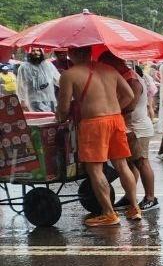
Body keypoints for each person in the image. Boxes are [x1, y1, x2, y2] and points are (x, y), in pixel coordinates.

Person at [56, 47, 140, 226]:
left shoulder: (69, 75)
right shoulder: (109, 69)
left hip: (93, 123)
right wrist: (114, 109)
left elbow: (63, 108)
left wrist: (60, 118)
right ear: (89, 52)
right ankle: (134, 208)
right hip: (116, 120)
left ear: (73, 54)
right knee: (122, 165)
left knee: (95, 169)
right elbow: (130, 95)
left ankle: (109, 213)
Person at [101, 54, 159, 213]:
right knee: (130, 164)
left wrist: (109, 110)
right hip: (131, 127)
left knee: (142, 162)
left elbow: (130, 106)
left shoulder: (132, 80)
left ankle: (150, 198)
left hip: (137, 128)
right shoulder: (126, 77)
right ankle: (129, 196)